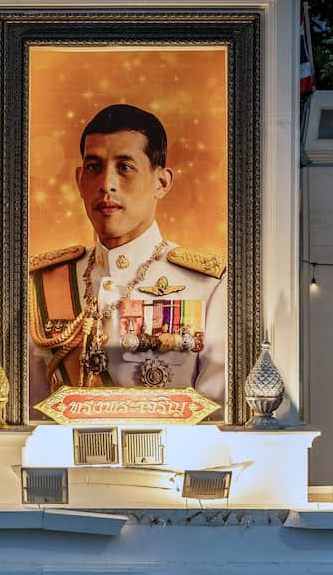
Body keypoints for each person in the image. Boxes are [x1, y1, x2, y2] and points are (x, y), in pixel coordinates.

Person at [28, 104, 226, 408]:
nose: (106, 184)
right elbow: (32, 409)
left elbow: (216, 408)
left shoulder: (208, 285)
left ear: (161, 182)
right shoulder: (41, 281)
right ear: (80, 179)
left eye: (125, 167)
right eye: (94, 167)